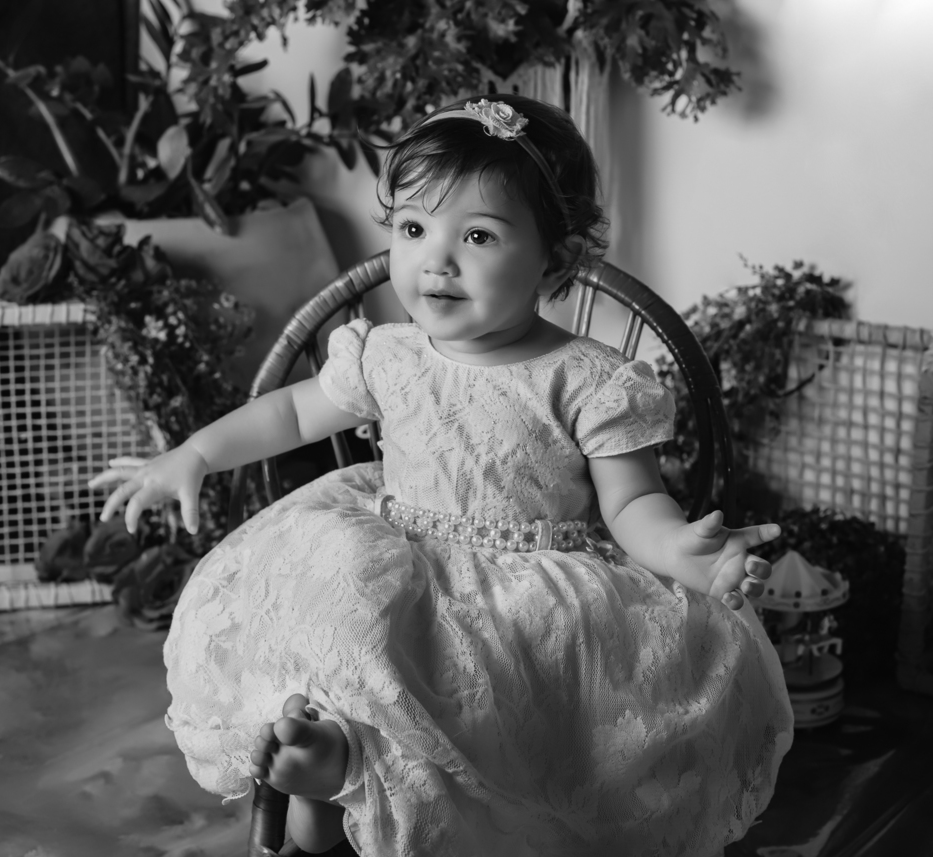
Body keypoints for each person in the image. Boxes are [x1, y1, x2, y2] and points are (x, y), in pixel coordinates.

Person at [90, 94, 794, 857]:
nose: (437, 260)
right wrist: (194, 453)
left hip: (528, 586)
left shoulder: (589, 377)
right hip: (395, 550)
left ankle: (346, 781)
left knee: (497, 678)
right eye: (413, 228)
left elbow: (633, 503)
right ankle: (333, 759)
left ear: (555, 256)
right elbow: (290, 414)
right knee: (348, 619)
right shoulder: (389, 353)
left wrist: (679, 548)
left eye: (479, 235)